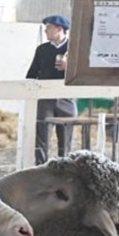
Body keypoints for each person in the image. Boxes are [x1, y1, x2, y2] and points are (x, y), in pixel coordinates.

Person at [25, 14, 77, 164]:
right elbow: (32, 73)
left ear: (59, 29)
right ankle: (40, 169)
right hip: (45, 99)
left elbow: (84, 73)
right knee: (41, 138)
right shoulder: (42, 50)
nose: (46, 31)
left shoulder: (73, 49)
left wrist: (70, 68)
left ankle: (65, 169)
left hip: (66, 98)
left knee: (66, 140)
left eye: (49, 28)